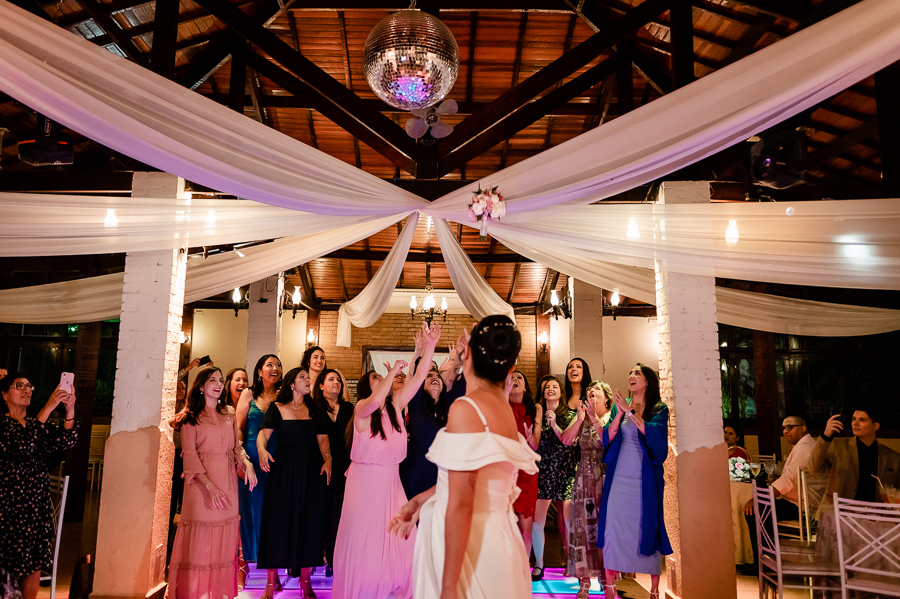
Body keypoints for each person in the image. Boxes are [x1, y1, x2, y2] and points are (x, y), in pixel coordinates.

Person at [389, 315, 540, 598]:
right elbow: (475, 481)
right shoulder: (503, 408)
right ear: (511, 367)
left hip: (471, 546)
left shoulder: (467, 409)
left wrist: (449, 587)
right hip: (500, 536)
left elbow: (461, 503)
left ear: (467, 355)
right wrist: (419, 501)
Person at [331, 349, 429, 599]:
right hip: (365, 485)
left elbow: (419, 378)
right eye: (375, 377)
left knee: (401, 537)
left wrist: (428, 347)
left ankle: (395, 590)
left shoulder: (395, 407)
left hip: (391, 482)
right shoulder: (362, 409)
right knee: (367, 539)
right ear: (367, 387)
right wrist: (393, 372)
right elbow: (375, 401)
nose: (381, 378)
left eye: (380, 376)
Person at [168, 367, 257, 599]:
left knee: (223, 542)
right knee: (200, 544)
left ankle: (216, 593)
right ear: (200, 386)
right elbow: (189, 456)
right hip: (200, 485)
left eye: (220, 380)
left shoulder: (229, 413)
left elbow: (236, 448)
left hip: (227, 482)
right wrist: (210, 487)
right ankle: (193, 594)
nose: (218, 384)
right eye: (212, 380)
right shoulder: (190, 417)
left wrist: (246, 464)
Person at [0, 374, 77, 599]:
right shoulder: (4, 424)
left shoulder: (36, 424)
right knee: (9, 561)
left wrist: (69, 409)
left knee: (33, 561)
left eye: (29, 386)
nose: (27, 390)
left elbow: (66, 440)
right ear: (4, 395)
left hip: (36, 506)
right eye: (19, 386)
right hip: (10, 507)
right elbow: (22, 444)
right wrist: (50, 405)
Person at [257, 368, 332, 599]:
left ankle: (306, 581)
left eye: (308, 378)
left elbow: (323, 438)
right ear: (291, 383)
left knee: (310, 522)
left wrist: (328, 459)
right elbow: (263, 435)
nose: (308, 380)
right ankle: (272, 582)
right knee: (276, 522)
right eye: (303, 377)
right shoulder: (277, 408)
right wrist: (261, 450)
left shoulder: (315, 409)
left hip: (311, 471)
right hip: (283, 471)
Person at [599, 364, 672, 599]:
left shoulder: (658, 408)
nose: (631, 376)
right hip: (619, 476)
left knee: (647, 526)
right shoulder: (619, 405)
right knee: (613, 525)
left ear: (648, 381)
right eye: (630, 372)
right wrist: (619, 413)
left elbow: (656, 439)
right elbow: (608, 436)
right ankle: (610, 585)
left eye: (637, 373)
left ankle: (654, 589)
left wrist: (631, 412)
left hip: (645, 478)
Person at [740, 415, 817, 575]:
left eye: (790, 427)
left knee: (755, 510)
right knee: (761, 510)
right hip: (797, 501)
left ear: (803, 428)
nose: (785, 431)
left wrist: (759, 498)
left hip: (800, 505)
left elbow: (789, 479)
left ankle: (765, 564)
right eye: (783, 428)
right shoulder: (805, 445)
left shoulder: (805, 448)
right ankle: (766, 561)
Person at [532, 361, 583, 580]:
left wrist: (554, 424)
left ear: (561, 392)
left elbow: (568, 441)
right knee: (538, 521)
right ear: (542, 393)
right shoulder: (536, 415)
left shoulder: (570, 415)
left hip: (566, 471)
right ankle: (539, 564)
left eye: (555, 386)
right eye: (547, 387)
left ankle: (573, 563)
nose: (551, 389)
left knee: (569, 520)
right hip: (543, 471)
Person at [562, 380, 612, 599]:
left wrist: (593, 418)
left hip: (604, 477)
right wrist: (580, 418)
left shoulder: (611, 417)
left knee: (603, 529)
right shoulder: (581, 416)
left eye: (597, 390)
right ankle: (584, 581)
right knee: (582, 529)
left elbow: (609, 443)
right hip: (583, 479)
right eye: (590, 389)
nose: (592, 391)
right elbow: (566, 440)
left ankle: (606, 577)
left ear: (606, 398)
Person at [235, 355, 282, 565]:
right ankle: (249, 562)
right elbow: (238, 427)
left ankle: (273, 562)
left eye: (278, 365)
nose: (275, 368)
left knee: (275, 511)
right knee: (250, 510)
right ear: (260, 371)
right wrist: (241, 455)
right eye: (269, 365)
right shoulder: (249, 393)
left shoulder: (284, 395)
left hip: (277, 458)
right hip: (251, 459)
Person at [809, 407, 900, 511]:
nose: (855, 424)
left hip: (876, 515)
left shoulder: (893, 457)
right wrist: (826, 436)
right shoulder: (839, 446)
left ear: (875, 426)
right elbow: (814, 468)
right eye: (853, 419)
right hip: (839, 511)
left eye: (862, 420)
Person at [401, 325, 454, 499]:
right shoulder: (416, 403)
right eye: (429, 376)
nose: (435, 377)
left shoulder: (448, 408)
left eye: (437, 376)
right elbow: (417, 373)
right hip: (417, 470)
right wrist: (429, 346)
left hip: (443, 472)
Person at [310, 368, 354, 578]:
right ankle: (316, 556)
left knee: (340, 512)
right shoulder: (313, 408)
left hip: (345, 464)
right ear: (320, 385)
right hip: (320, 464)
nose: (336, 382)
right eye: (331, 379)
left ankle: (337, 559)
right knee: (321, 511)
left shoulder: (349, 408)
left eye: (338, 380)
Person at [507, 370, 541, 558]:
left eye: (519, 377)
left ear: (525, 387)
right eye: (512, 377)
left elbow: (535, 445)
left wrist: (529, 438)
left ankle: (524, 568)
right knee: (507, 526)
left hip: (527, 473)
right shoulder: (500, 407)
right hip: (506, 470)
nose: (515, 379)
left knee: (526, 530)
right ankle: (507, 568)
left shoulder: (535, 409)